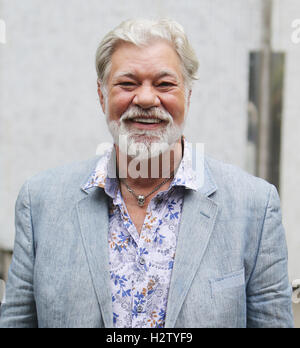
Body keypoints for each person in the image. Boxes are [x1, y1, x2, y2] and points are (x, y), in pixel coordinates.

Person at [0, 18, 294, 328]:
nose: (145, 99)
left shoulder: (254, 207)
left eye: (164, 84)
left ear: (188, 96)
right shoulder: (41, 203)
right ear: (102, 97)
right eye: (127, 84)